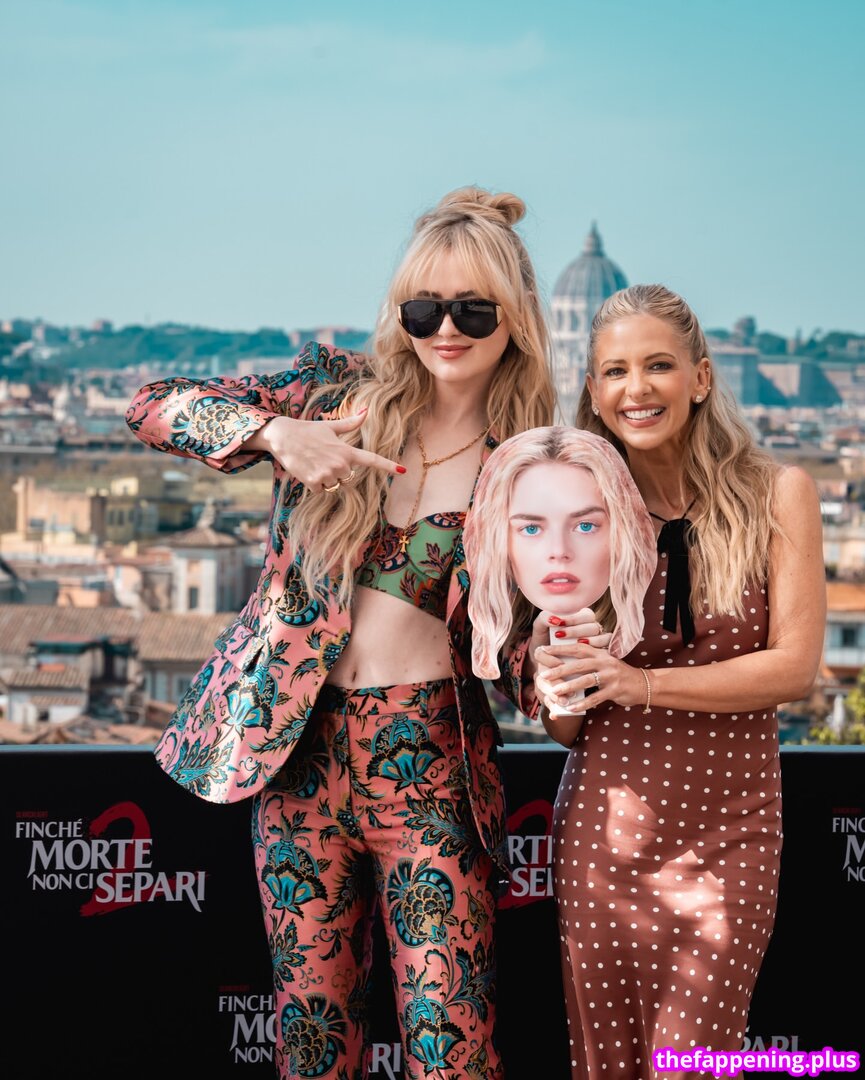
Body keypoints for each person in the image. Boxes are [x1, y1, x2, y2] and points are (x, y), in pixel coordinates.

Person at [125, 186, 556, 1080]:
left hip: (429, 758)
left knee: (449, 1044)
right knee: (312, 1040)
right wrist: (276, 432)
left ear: (514, 316)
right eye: (423, 308)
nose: (445, 329)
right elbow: (152, 404)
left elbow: (522, 648)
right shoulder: (329, 396)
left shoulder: (530, 463)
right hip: (296, 753)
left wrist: (557, 660)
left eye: (473, 310)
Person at [527, 284, 825, 1078]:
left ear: (700, 377)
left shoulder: (777, 494)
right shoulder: (578, 514)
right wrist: (556, 673)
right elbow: (565, 727)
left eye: (657, 365)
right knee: (606, 1064)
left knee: (689, 1063)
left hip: (731, 832)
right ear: (593, 390)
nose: (637, 388)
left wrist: (637, 684)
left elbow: (794, 667)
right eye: (615, 371)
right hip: (604, 832)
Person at [463, 425, 656, 737]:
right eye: (531, 529)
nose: (559, 551)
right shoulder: (540, 620)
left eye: (585, 526)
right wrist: (555, 674)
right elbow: (565, 735)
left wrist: (640, 684)